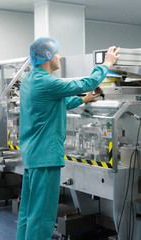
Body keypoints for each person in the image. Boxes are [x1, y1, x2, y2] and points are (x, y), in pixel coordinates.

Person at [16, 37, 119, 240]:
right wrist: (107, 63)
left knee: (28, 212)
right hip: (45, 157)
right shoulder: (46, 81)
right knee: (43, 216)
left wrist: (83, 99)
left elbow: (55, 103)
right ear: (48, 56)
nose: (60, 57)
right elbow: (87, 82)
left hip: (32, 154)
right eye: (57, 53)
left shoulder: (30, 79)